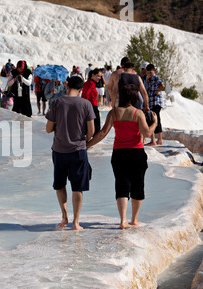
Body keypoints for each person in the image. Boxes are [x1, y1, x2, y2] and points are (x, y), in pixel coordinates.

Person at [86, 84, 158, 229]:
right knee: (138, 185)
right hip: (136, 153)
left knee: (121, 185)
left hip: (119, 153)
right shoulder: (138, 113)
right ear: (134, 97)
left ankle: (123, 220)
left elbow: (102, 133)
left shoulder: (114, 113)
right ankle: (135, 219)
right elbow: (148, 133)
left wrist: (87, 145)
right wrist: (155, 123)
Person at [45, 76, 96, 230]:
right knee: (77, 187)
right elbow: (92, 131)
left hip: (59, 150)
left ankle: (64, 216)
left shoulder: (56, 102)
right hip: (78, 151)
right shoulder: (86, 104)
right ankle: (76, 222)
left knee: (60, 184)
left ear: (67, 86)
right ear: (80, 90)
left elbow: (48, 129)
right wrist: (84, 142)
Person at [145, 64, 165, 146]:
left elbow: (162, 85)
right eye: (148, 73)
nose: (149, 74)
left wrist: (157, 92)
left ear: (154, 71)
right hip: (152, 102)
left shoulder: (156, 78)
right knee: (153, 119)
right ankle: (155, 140)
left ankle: (159, 140)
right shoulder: (150, 78)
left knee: (156, 120)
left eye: (150, 72)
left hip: (156, 102)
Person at [81, 68, 102, 135]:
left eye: (100, 76)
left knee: (87, 125)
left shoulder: (86, 83)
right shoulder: (91, 84)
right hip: (92, 106)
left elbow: (83, 94)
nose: (99, 78)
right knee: (96, 127)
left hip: (87, 105)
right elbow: (86, 94)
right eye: (98, 76)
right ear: (92, 75)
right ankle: (92, 141)